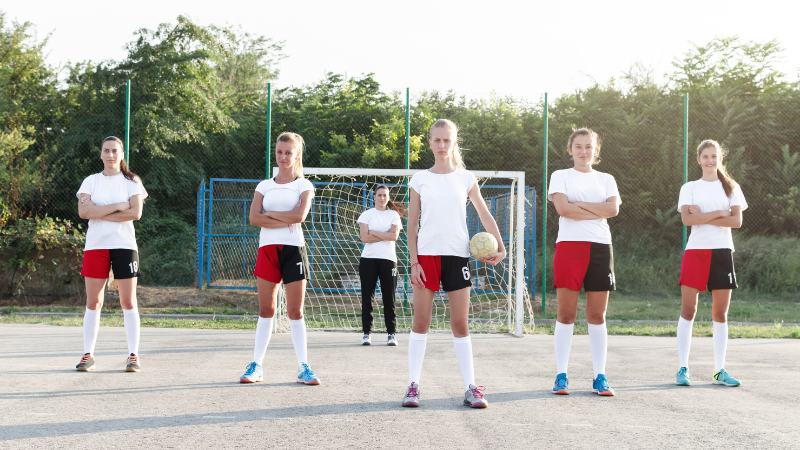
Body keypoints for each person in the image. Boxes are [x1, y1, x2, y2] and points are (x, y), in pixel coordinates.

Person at [402, 119, 506, 409]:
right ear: (430, 142)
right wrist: (414, 262)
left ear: (454, 142)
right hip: (426, 257)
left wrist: (501, 245)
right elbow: (411, 225)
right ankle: (413, 386)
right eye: (437, 140)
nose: (442, 145)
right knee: (421, 321)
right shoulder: (420, 179)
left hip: (457, 256)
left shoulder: (466, 178)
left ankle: (471, 387)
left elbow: (485, 215)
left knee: (460, 323)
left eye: (447, 140)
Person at [239, 132, 320, 386]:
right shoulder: (264, 186)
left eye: (288, 152)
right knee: (266, 310)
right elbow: (254, 218)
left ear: (296, 155)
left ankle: (304, 366)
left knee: (295, 311)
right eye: (280, 152)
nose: (283, 157)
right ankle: (257, 365)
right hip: (268, 249)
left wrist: (270, 214)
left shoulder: (304, 185)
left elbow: (299, 216)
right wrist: (283, 215)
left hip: (293, 249)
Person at [547, 128, 620, 396]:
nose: (583, 151)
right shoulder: (560, 176)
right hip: (569, 248)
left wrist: (581, 205)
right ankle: (561, 375)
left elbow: (612, 210)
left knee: (597, 315)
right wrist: (595, 208)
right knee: (566, 314)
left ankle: (600, 376)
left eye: (589, 146)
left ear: (596, 150)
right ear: (570, 149)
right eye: (578, 146)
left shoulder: (607, 179)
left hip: (600, 248)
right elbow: (563, 209)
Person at [675, 139, 747, 387]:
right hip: (696, 252)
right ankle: (683, 368)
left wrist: (703, 217)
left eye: (714, 156)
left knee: (720, 313)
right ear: (698, 159)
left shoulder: (731, 187)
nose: (710, 161)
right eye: (705, 156)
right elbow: (686, 219)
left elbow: (736, 222)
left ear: (720, 158)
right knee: (688, 311)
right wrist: (720, 213)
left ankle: (719, 371)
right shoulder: (690, 187)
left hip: (722, 252)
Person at [75, 136, 148, 372]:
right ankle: (88, 355)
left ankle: (133, 356)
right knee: (93, 302)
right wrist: (118, 206)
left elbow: (136, 213)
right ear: (100, 154)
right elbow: (84, 211)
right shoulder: (91, 181)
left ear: (122, 154)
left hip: (124, 246)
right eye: (106, 151)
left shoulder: (132, 181)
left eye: (114, 151)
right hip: (96, 246)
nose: (110, 155)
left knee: (128, 301)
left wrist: (99, 212)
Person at [357, 184, 404, 346]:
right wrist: (385, 234)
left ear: (388, 197)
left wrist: (374, 232)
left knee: (388, 298)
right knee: (367, 297)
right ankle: (366, 334)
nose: (382, 198)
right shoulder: (366, 215)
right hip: (368, 260)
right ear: (374, 197)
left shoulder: (394, 215)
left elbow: (394, 236)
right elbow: (364, 238)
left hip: (388, 260)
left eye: (385, 195)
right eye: (379, 195)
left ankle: (391, 333)